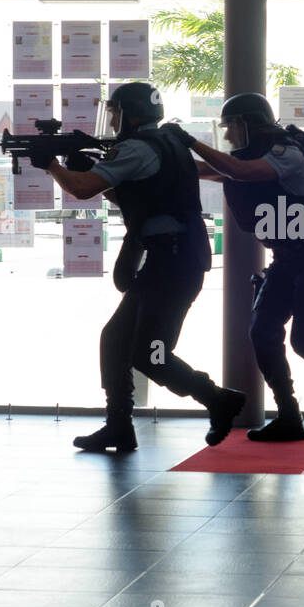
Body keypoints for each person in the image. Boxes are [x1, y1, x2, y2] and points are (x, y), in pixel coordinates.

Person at [165, 93, 304, 442]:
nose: (227, 137)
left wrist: (190, 141)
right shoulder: (253, 156)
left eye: (231, 128)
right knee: (263, 332)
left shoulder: (285, 153)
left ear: (249, 125)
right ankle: (289, 415)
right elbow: (213, 170)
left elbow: (237, 170)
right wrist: (166, 155)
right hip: (289, 257)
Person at [36, 81, 245, 453]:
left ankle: (217, 399)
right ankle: (119, 426)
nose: (112, 119)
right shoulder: (166, 145)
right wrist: (98, 170)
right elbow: (140, 195)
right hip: (176, 259)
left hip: (171, 263)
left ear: (131, 115)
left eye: (115, 112)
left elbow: (83, 191)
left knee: (150, 354)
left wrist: (51, 164)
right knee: (115, 341)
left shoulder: (135, 148)